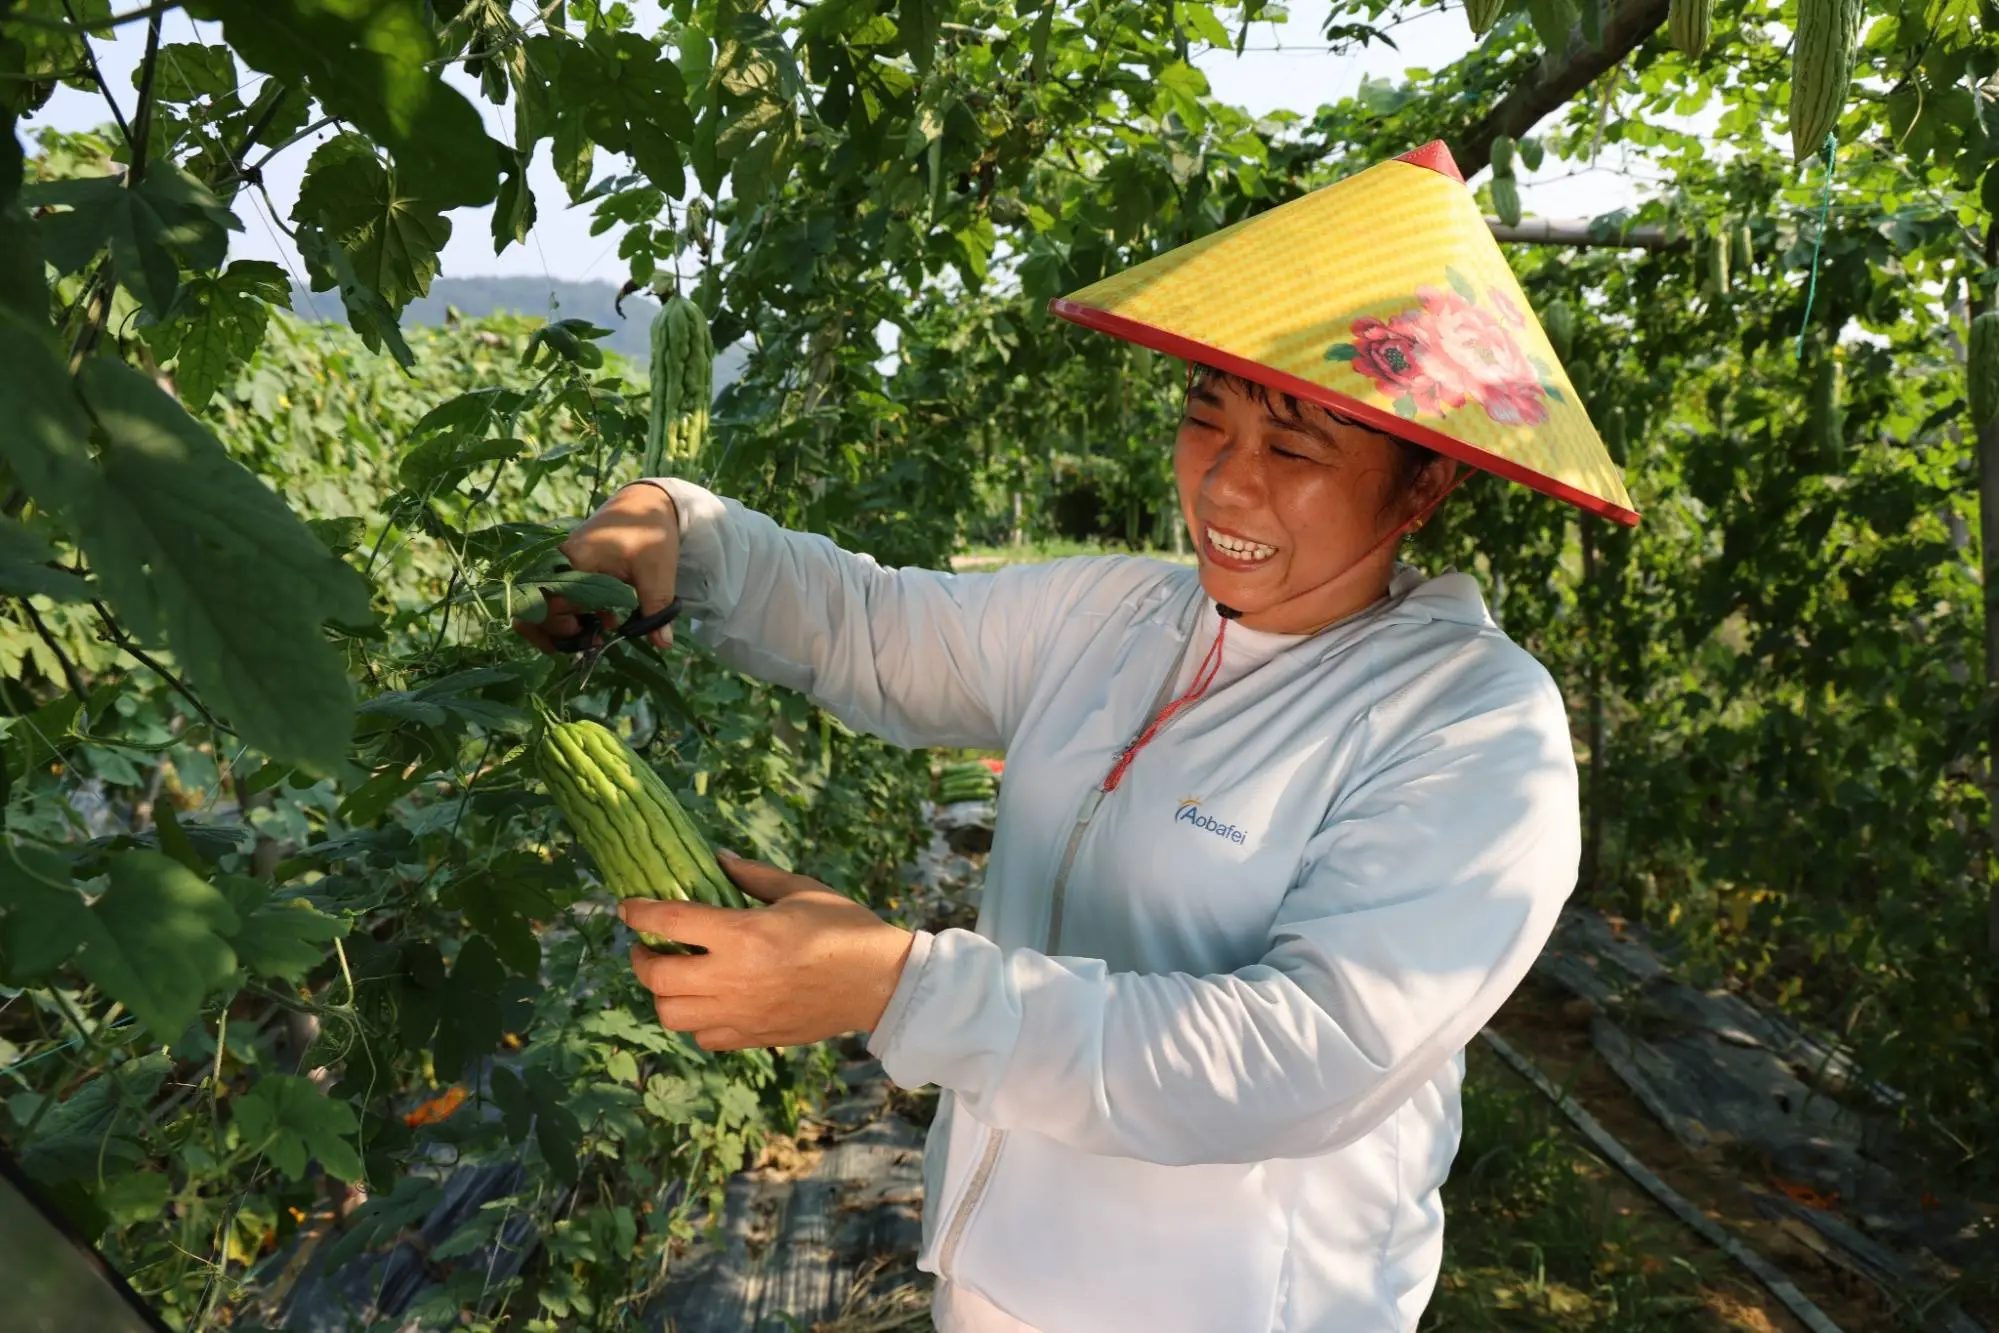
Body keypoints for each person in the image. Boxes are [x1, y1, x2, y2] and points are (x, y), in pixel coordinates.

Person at [516, 141, 1638, 1333]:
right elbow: (875, 627)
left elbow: (1300, 1055)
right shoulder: (1117, 615)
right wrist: (680, 534)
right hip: (994, 1284)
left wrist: (894, 985)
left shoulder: (1474, 727)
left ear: (1422, 491)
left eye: (1296, 447)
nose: (1224, 487)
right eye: (1207, 421)